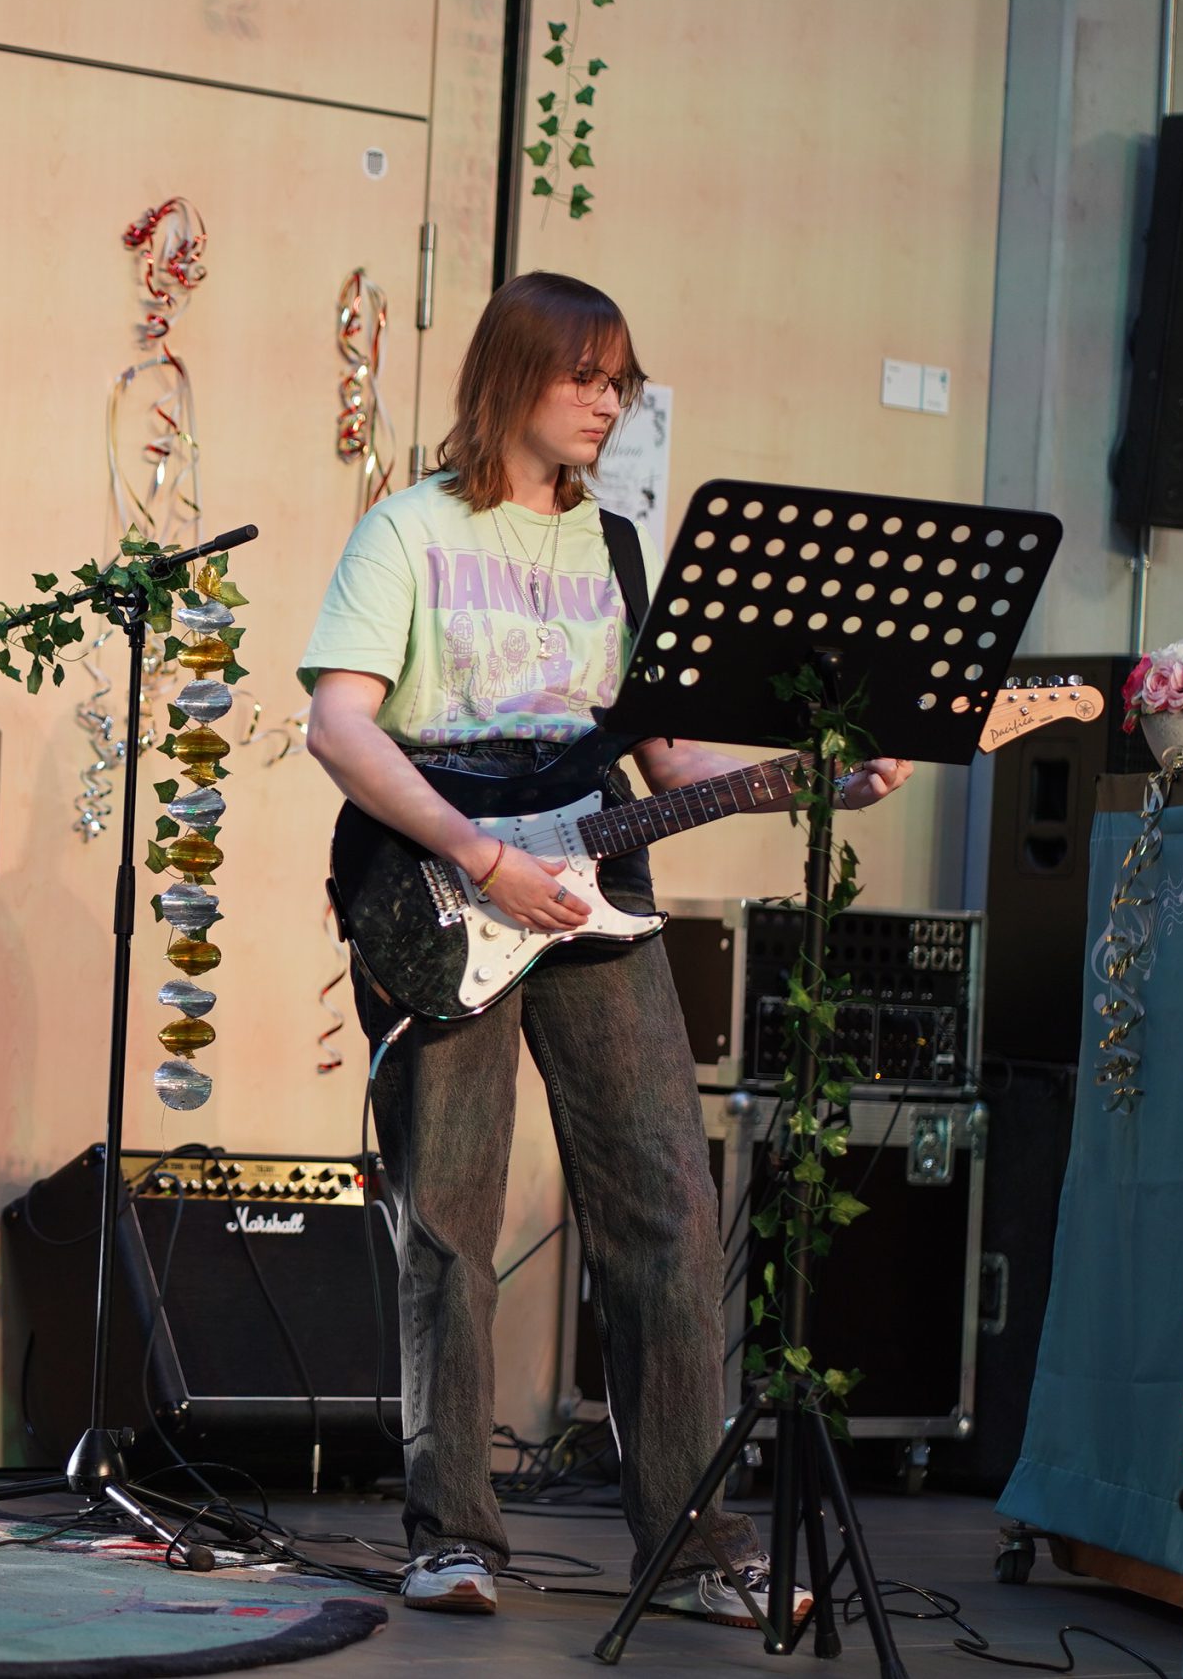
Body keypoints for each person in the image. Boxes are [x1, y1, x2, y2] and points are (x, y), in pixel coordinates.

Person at [298, 272, 910, 1624]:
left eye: (619, 379)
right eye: (584, 374)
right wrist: (482, 856)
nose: (606, 401)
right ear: (511, 374)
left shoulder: (623, 550)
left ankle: (691, 1551)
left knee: (669, 1214)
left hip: (598, 890)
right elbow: (339, 725)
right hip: (442, 884)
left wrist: (812, 779)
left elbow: (668, 757)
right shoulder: (406, 529)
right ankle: (451, 1535)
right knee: (447, 1222)